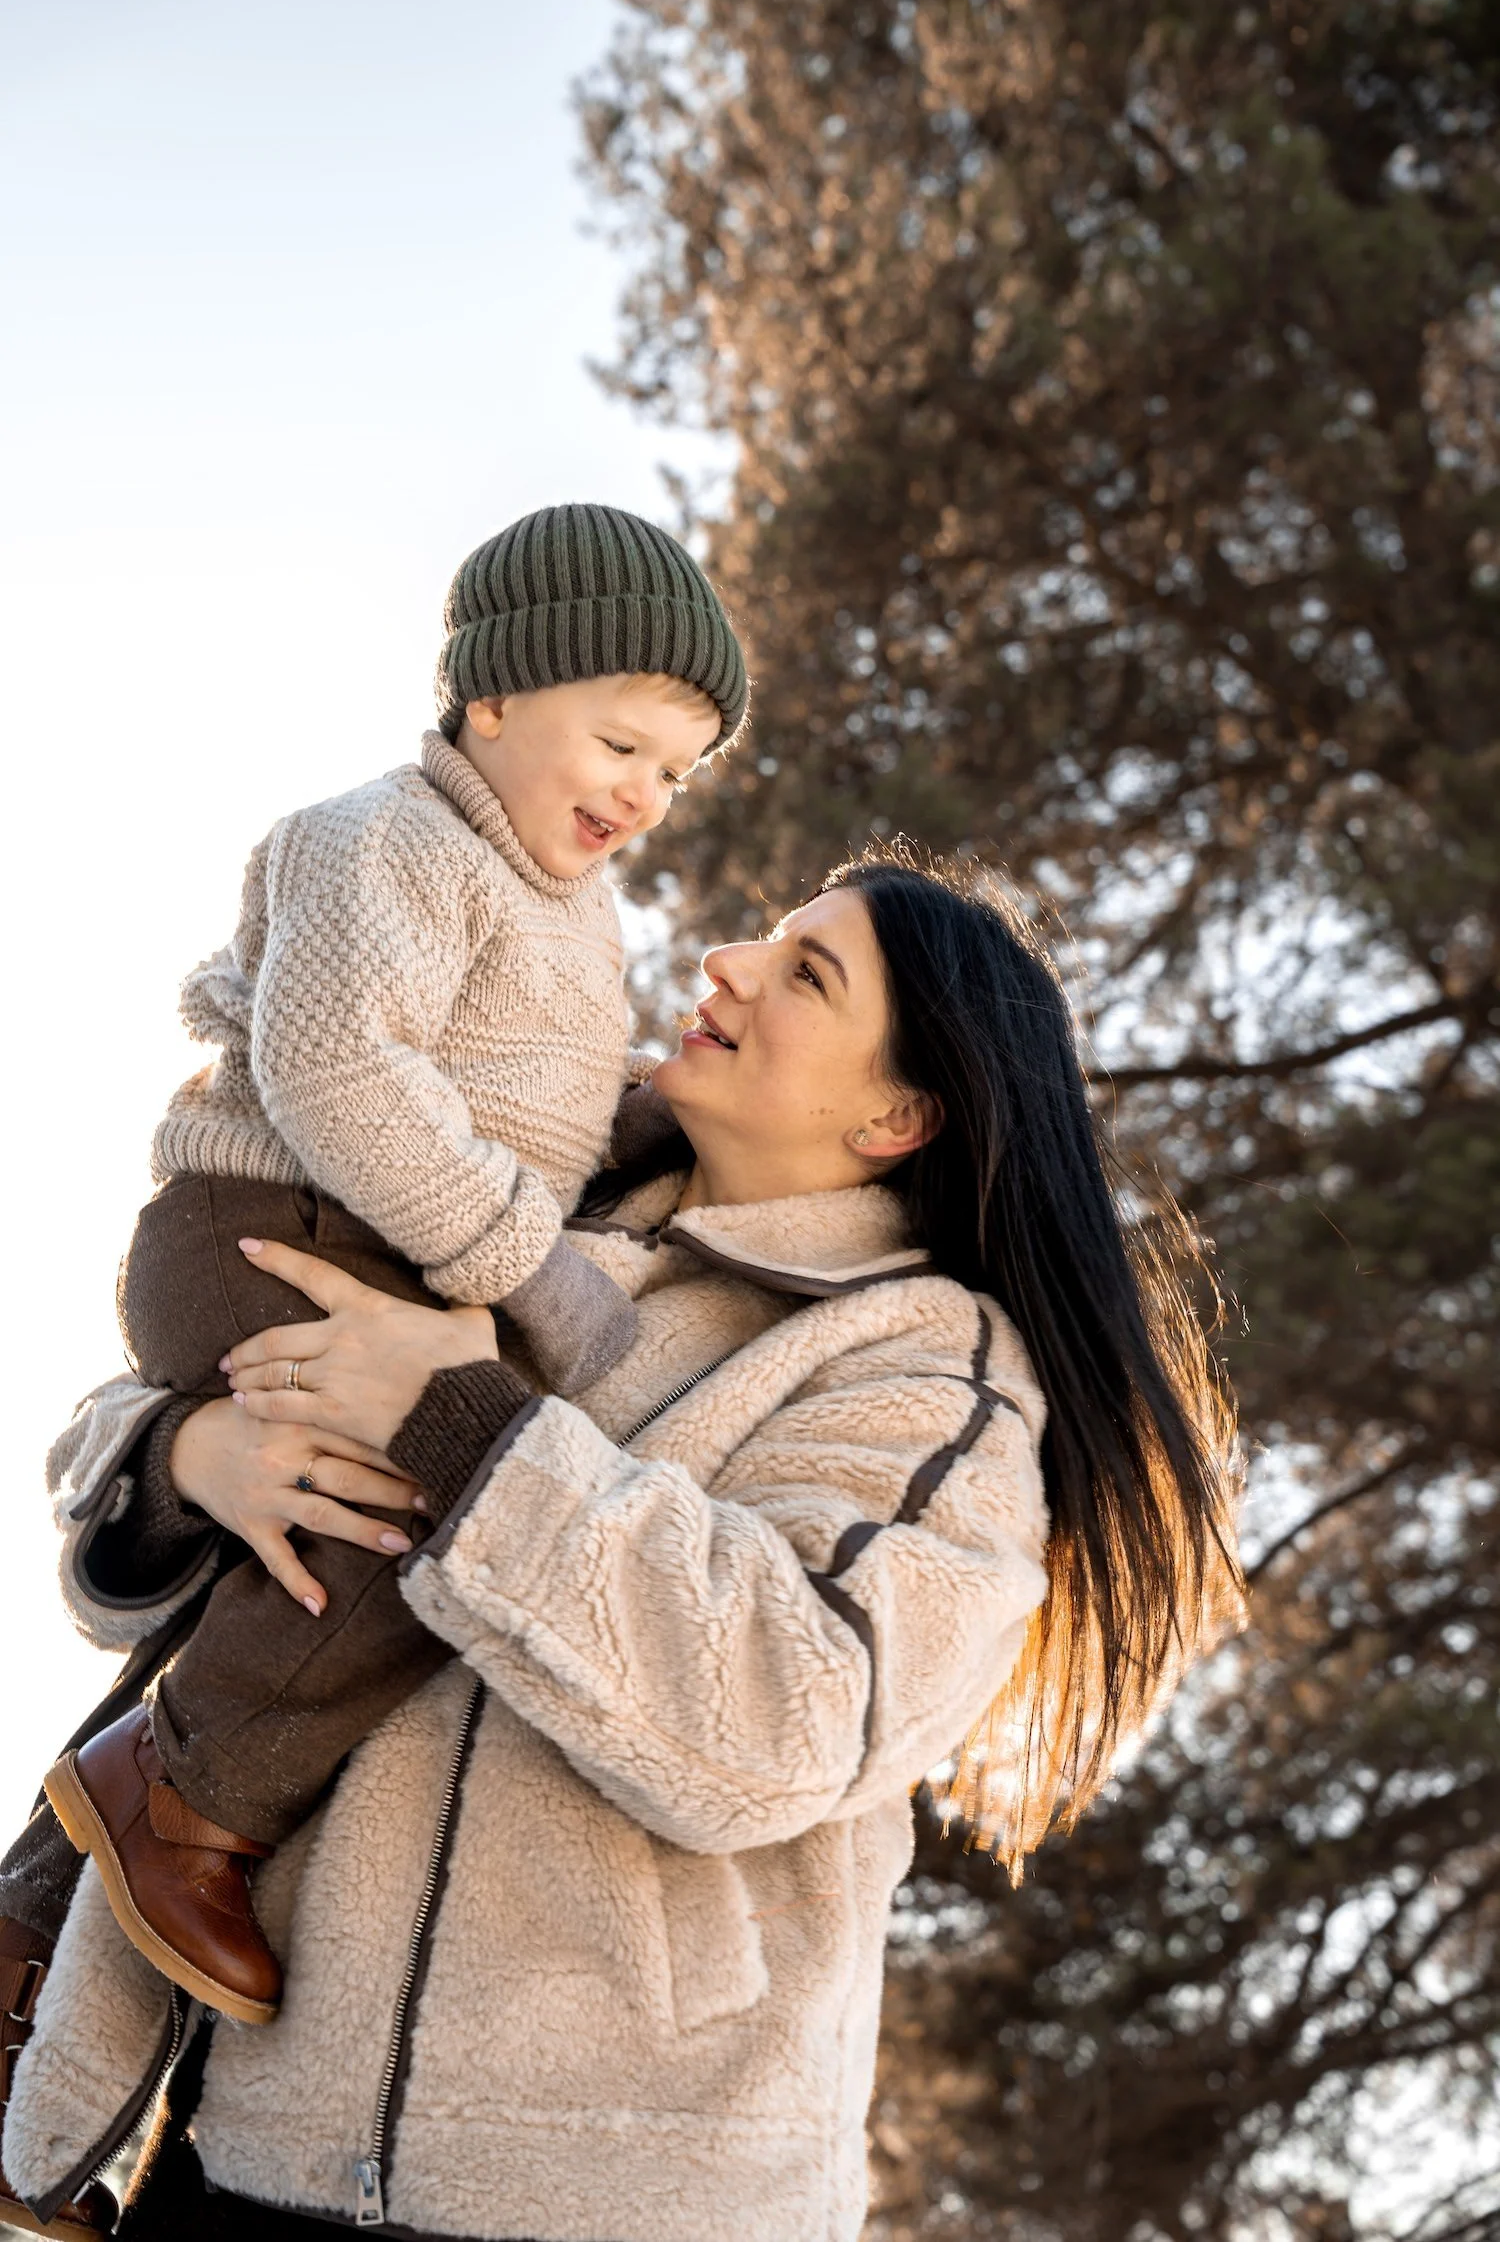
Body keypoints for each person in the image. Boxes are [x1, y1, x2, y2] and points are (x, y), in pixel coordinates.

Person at [5, 859, 1243, 2242]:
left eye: (806, 973)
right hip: (248, 2148)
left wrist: (463, 1427)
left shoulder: (928, 1370)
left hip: (611, 2199)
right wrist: (184, 1459)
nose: (725, 961)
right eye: (763, 938)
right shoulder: (507, 1208)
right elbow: (158, 1440)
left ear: (898, 1115)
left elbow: (790, 1706)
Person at [0, 499, 746, 2123]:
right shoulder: (382, 836)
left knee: (403, 1528)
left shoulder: (566, 910)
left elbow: (525, 1099)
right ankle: (174, 1795)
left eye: (676, 772)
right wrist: (519, 1262)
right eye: (620, 740)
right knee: (418, 1510)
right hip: (256, 1223)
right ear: (493, 697)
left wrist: (659, 1130)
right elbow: (337, 1070)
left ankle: (33, 1936)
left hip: (373, 1233)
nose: (642, 794)